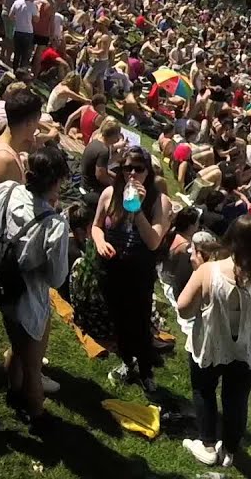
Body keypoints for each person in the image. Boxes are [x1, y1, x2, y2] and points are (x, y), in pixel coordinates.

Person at [0, 146, 71, 431]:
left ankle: (13, 393)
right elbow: (57, 278)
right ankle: (37, 416)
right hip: (29, 299)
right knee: (33, 366)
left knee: (16, 346)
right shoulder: (55, 225)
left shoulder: (7, 190)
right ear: (56, 182)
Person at [177, 214, 251, 467]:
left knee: (204, 390)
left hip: (210, 343)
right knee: (236, 399)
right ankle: (229, 450)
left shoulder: (208, 270)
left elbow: (183, 309)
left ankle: (207, 444)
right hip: (247, 351)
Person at [92, 146, 171, 392]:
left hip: (139, 273)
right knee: (119, 321)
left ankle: (146, 370)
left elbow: (153, 241)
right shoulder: (109, 194)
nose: (133, 174)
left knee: (140, 324)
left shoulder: (159, 201)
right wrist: (100, 241)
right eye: (127, 168)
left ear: (148, 172)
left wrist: (137, 210)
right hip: (112, 269)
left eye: (139, 169)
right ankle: (128, 361)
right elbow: (96, 226)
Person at [0, 89, 42, 196]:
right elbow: (10, 204)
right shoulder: (5, 160)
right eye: (37, 121)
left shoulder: (6, 145)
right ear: (29, 123)